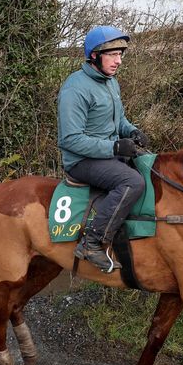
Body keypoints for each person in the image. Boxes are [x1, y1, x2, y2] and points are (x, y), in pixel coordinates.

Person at [57, 26, 149, 273]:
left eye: (121, 54)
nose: (119, 61)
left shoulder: (110, 82)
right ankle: (92, 243)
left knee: (151, 166)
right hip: (82, 161)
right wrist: (115, 146)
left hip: (107, 153)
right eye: (113, 55)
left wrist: (131, 131)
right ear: (95, 56)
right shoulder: (75, 89)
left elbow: (118, 121)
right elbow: (70, 140)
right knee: (132, 182)